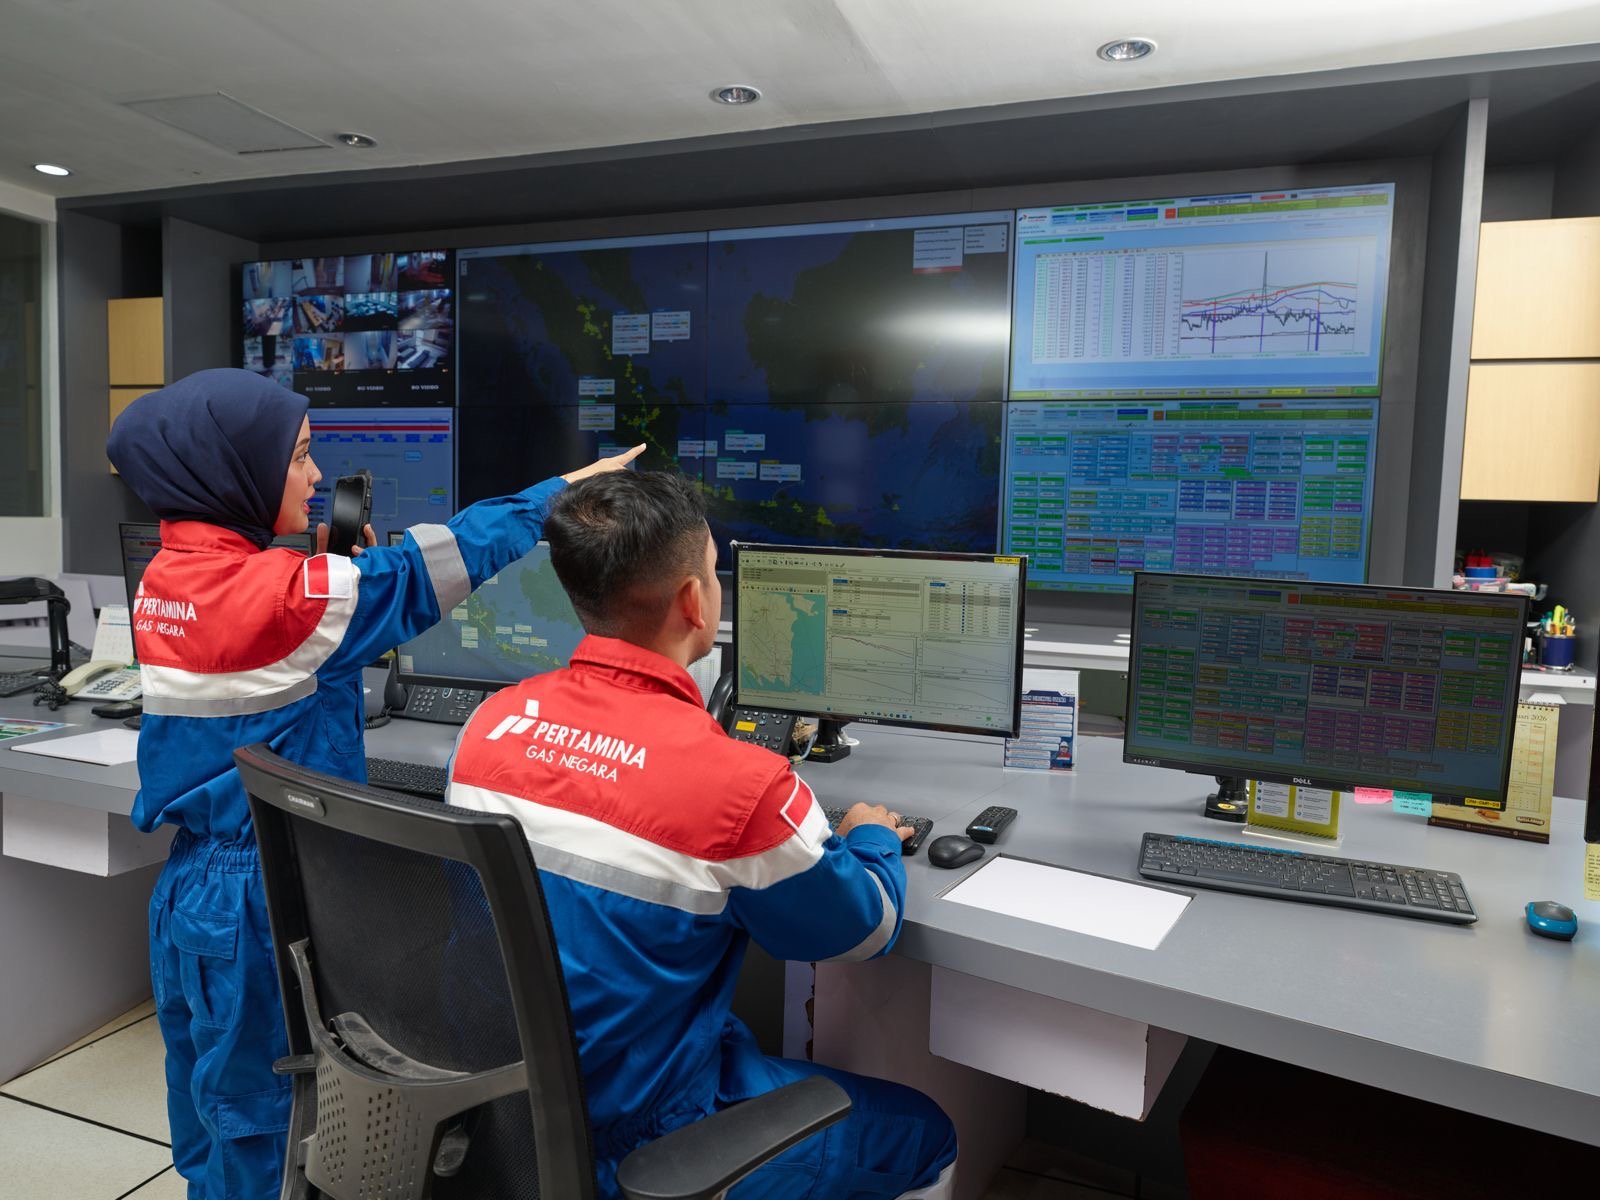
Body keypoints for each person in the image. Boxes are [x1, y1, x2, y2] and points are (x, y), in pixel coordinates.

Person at [105, 368, 640, 1200]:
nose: (316, 477)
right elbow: (436, 565)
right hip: (252, 898)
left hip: (193, 891)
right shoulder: (288, 599)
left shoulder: (172, 576)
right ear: (233, 473)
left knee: (215, 1114)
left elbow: (268, 650)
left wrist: (319, 573)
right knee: (262, 1126)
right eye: (299, 457)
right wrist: (556, 495)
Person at [446, 470, 958, 1199]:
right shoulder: (740, 785)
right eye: (715, 572)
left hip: (502, 1118)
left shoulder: (488, 727)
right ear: (695, 600)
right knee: (923, 1131)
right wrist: (870, 838)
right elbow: (862, 932)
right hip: (646, 1141)